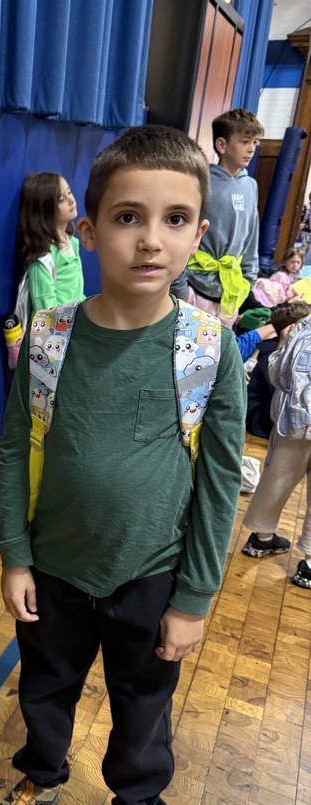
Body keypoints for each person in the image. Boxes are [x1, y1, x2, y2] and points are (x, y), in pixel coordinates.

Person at [0, 125, 245, 805]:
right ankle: (42, 771)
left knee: (143, 711)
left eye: (175, 220)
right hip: (56, 571)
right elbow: (13, 449)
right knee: (46, 688)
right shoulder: (52, 337)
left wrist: (194, 598)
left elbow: (220, 482)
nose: (150, 240)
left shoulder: (209, 346)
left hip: (151, 576)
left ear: (199, 234)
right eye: (129, 218)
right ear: (88, 230)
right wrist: (15, 555)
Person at [170, 108, 264, 326]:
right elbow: (181, 233)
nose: (251, 149)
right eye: (244, 141)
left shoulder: (251, 185)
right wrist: (180, 287)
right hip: (196, 288)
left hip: (231, 291)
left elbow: (252, 233)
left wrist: (248, 281)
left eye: (255, 143)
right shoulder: (201, 182)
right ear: (222, 145)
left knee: (215, 355)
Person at [241, 307, 311, 588]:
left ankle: (262, 537)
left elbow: (276, 374)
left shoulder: (299, 329)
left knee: (275, 481)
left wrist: (282, 345)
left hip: (291, 425)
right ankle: (308, 565)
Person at [14, 171, 85, 327]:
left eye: (69, 192)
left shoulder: (72, 242)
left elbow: (77, 294)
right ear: (44, 211)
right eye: (61, 199)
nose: (71, 200)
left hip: (75, 328)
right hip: (55, 339)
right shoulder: (43, 260)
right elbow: (46, 313)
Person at [245, 302, 311, 439]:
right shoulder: (270, 353)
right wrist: (281, 350)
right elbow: (282, 389)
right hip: (259, 416)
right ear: (290, 330)